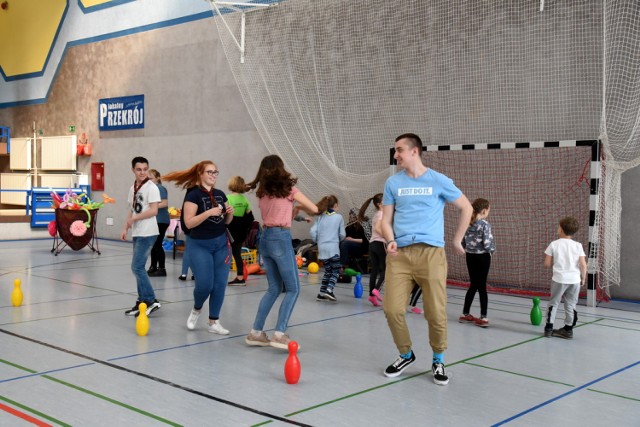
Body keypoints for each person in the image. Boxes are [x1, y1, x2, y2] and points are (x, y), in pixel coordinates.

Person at [380, 133, 472, 386]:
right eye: (395, 150)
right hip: (400, 255)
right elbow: (386, 221)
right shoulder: (393, 183)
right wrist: (389, 240)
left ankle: (438, 359)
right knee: (392, 309)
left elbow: (467, 207)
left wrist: (456, 240)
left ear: (414, 151)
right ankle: (406, 354)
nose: (396, 154)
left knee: (435, 312)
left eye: (399, 150)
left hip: (431, 254)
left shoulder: (438, 181)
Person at [244, 154, 319, 350]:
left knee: (273, 289)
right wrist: (299, 204)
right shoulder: (289, 190)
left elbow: (277, 212)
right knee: (294, 288)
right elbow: (315, 208)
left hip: (265, 238)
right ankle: (279, 334)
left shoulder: (261, 194)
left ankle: (256, 332)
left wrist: (293, 209)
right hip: (280, 237)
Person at [163, 161, 234, 334]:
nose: (213, 175)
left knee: (219, 285)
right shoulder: (193, 195)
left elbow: (226, 222)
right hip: (199, 245)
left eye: (215, 172)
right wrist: (209, 212)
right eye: (209, 172)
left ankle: (213, 322)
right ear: (200, 174)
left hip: (221, 244)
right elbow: (189, 222)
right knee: (204, 285)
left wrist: (229, 214)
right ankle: (196, 308)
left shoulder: (220, 194)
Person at [121, 156, 162, 317]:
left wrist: (134, 219)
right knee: (138, 268)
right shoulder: (133, 187)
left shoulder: (151, 187)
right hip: (137, 232)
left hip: (148, 231)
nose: (142, 172)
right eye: (139, 169)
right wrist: (126, 227)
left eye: (145, 169)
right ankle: (142, 303)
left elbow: (154, 210)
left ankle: (151, 300)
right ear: (133, 170)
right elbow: (132, 209)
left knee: (136, 267)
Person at [543, 216, 587, 339]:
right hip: (574, 280)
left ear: (561, 230)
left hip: (559, 279)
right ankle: (568, 329)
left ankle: (549, 328)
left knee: (554, 303)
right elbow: (583, 264)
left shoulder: (554, 244)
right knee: (571, 305)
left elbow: (547, 263)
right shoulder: (578, 245)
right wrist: (583, 278)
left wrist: (552, 263)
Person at [459, 198, 496, 327]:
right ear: (484, 211)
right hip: (482, 257)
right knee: (482, 287)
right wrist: (492, 250)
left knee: (473, 285)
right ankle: (483, 317)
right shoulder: (485, 225)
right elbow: (487, 243)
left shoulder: (468, 223)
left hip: (470, 256)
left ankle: (465, 314)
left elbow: (463, 242)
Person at [310, 195, 346, 302]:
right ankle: (329, 291)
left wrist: (318, 240)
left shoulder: (320, 217)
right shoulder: (339, 217)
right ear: (335, 205)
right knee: (335, 271)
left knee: (328, 271)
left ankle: (322, 293)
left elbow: (312, 231)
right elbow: (342, 234)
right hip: (333, 248)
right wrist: (338, 239)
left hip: (322, 248)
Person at [226, 176, 254, 285]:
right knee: (237, 253)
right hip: (241, 230)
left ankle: (222, 275)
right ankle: (240, 276)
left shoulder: (228, 198)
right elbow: (249, 215)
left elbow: (226, 214)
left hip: (230, 229)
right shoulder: (244, 199)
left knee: (225, 252)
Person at [358, 193, 385, 307]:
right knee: (386, 270)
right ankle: (377, 289)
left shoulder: (376, 214)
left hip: (372, 244)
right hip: (380, 243)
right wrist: (389, 237)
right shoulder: (382, 214)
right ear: (379, 204)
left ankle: (371, 296)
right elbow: (379, 228)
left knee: (374, 270)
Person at [147, 169, 170, 277]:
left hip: (161, 220)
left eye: (151, 177)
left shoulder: (159, 188)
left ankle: (162, 268)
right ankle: (153, 266)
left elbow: (164, 203)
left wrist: (151, 207)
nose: (148, 180)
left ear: (157, 178)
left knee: (157, 244)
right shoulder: (150, 189)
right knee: (153, 244)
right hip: (154, 220)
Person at [178, 186, 197, 281]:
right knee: (194, 251)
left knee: (188, 251)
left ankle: (184, 274)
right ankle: (192, 273)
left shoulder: (189, 193)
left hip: (189, 226)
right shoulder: (196, 193)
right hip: (195, 226)